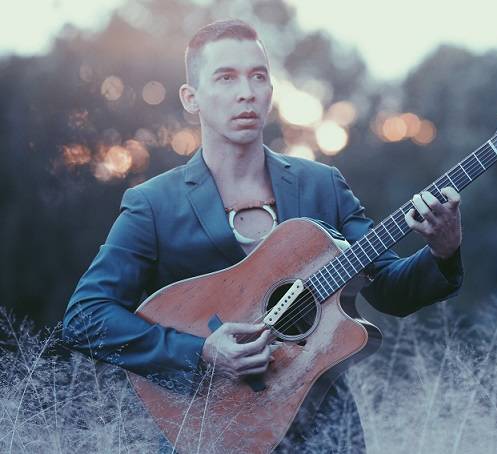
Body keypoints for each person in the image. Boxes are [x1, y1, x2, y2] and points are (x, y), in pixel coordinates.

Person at [62, 19, 464, 453]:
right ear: (190, 98)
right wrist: (200, 352)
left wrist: (443, 250)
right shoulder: (154, 204)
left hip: (324, 434)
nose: (246, 92)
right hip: (207, 434)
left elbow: (389, 289)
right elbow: (86, 317)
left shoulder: (321, 185)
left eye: (258, 76)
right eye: (226, 77)